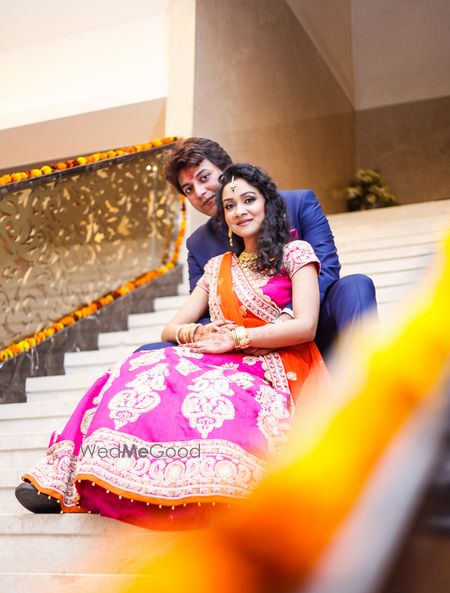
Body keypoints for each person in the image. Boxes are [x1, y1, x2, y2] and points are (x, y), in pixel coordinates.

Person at [15, 163, 327, 528]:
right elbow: (172, 327)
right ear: (224, 217)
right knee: (137, 367)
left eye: (248, 200)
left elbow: (306, 326)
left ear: (267, 203)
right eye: (230, 206)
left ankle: (202, 483)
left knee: (215, 393)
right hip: (222, 355)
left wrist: (238, 338)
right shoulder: (217, 267)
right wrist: (197, 335)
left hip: (276, 363)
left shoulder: (296, 254)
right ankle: (75, 480)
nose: (240, 211)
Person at [138, 137, 377, 357]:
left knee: (355, 285)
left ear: (226, 171)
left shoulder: (298, 204)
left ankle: (370, 384)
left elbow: (326, 268)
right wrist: (216, 335)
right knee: (146, 353)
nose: (199, 192)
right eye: (188, 189)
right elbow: (204, 311)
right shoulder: (199, 244)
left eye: (203, 177)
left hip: (306, 322)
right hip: (239, 346)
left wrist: (287, 316)